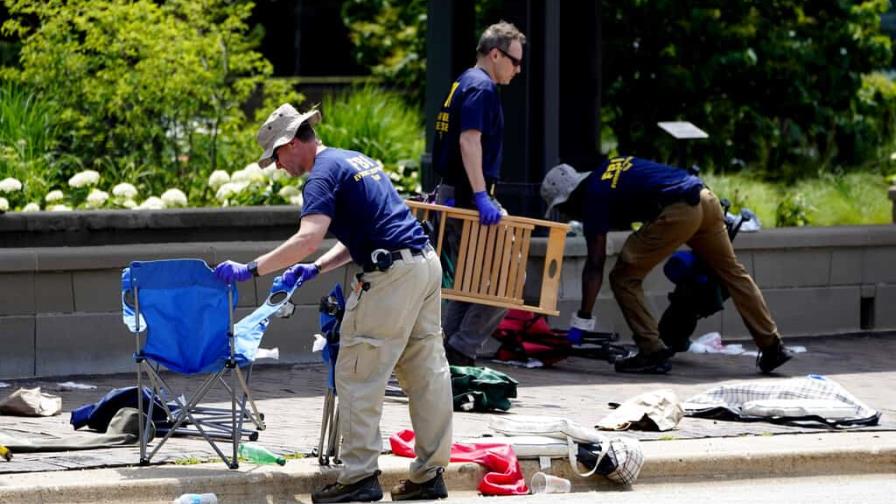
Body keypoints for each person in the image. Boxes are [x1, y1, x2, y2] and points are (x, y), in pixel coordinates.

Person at [214, 104, 453, 503]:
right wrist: (317, 268)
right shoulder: (354, 160)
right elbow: (366, 230)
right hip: (423, 266)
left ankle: (359, 478)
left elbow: (307, 237)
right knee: (426, 373)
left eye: (275, 155)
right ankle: (429, 476)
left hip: (390, 277)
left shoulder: (321, 175)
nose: (277, 166)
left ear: (291, 143)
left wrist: (251, 269)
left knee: (358, 372)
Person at [540, 158, 794, 374]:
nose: (568, 216)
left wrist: (583, 318)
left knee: (623, 277)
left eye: (564, 209)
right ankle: (772, 346)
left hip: (679, 209)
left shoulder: (592, 196)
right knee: (732, 273)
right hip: (704, 198)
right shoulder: (609, 169)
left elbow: (595, 264)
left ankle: (652, 350)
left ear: (571, 197)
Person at [431, 20, 526, 366]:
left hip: (456, 192)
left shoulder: (463, 82)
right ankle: (461, 346)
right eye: (515, 62)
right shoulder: (481, 88)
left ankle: (451, 351)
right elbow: (469, 140)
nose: (518, 69)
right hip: (470, 195)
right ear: (496, 54)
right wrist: (481, 195)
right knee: (509, 277)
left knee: (471, 279)